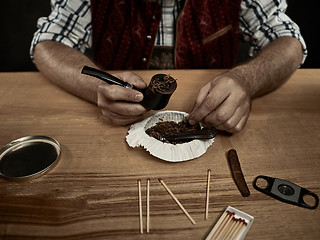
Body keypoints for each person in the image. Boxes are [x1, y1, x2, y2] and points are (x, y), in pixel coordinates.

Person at [30, 0, 306, 133]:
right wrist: (97, 87)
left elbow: (290, 42)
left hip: (209, 132)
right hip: (115, 129)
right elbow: (47, 43)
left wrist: (247, 79)